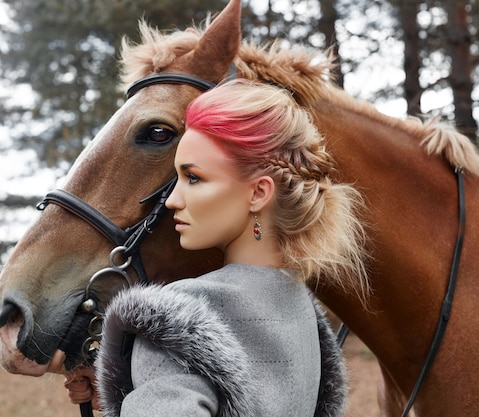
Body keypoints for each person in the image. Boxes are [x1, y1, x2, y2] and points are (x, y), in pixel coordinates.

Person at [64, 79, 369, 417]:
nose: (173, 201)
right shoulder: (303, 315)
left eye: (193, 178)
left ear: (258, 193)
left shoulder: (174, 323)